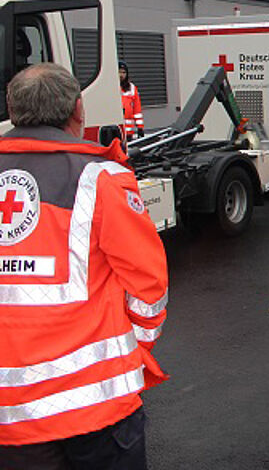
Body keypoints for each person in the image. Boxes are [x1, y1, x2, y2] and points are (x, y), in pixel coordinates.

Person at [0, 63, 168, 470]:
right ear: (78, 110)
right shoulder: (101, 179)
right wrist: (136, 347)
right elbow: (148, 284)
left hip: (9, 415)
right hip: (94, 404)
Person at [119, 61, 144, 138]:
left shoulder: (132, 88)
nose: (121, 75)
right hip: (115, 131)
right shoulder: (110, 87)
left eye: (124, 72)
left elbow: (137, 110)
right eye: (119, 72)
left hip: (129, 132)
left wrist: (140, 127)